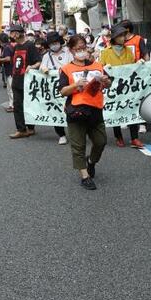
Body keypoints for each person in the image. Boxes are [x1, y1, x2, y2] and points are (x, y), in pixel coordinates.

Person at [58, 35, 112, 190]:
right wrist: (75, 85)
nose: (81, 51)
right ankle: (85, 176)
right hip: (76, 112)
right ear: (71, 50)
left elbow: (108, 83)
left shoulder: (97, 65)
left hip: (95, 110)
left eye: (83, 48)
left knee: (101, 141)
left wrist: (106, 82)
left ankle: (91, 162)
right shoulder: (66, 69)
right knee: (78, 146)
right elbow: (62, 91)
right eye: (77, 49)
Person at [98, 24, 144, 149]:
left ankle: (134, 138)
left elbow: (133, 65)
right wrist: (105, 70)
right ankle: (118, 137)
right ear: (114, 37)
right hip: (113, 86)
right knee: (115, 110)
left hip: (128, 86)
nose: (123, 37)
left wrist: (139, 64)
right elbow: (101, 68)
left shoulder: (128, 50)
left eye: (124, 35)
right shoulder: (106, 52)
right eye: (120, 35)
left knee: (132, 108)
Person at [8, 24, 41, 139]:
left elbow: (38, 62)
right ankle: (21, 129)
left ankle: (30, 128)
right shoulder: (15, 46)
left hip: (27, 81)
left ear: (20, 32)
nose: (13, 35)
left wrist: (31, 67)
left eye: (15, 32)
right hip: (16, 80)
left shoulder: (30, 45)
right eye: (12, 33)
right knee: (17, 105)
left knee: (29, 105)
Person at [41, 31, 73, 145]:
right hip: (54, 87)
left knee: (72, 108)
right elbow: (42, 66)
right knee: (57, 109)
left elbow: (73, 63)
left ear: (59, 42)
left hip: (69, 84)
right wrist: (44, 69)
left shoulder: (68, 52)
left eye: (55, 42)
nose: (54, 45)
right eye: (51, 44)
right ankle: (61, 134)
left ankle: (75, 132)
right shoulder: (46, 56)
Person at [0, 33, 15, 111]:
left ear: (1, 40)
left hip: (10, 70)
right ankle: (11, 104)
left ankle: (13, 105)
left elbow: (8, 58)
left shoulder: (7, 47)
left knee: (11, 89)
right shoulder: (6, 46)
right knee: (9, 88)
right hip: (9, 70)